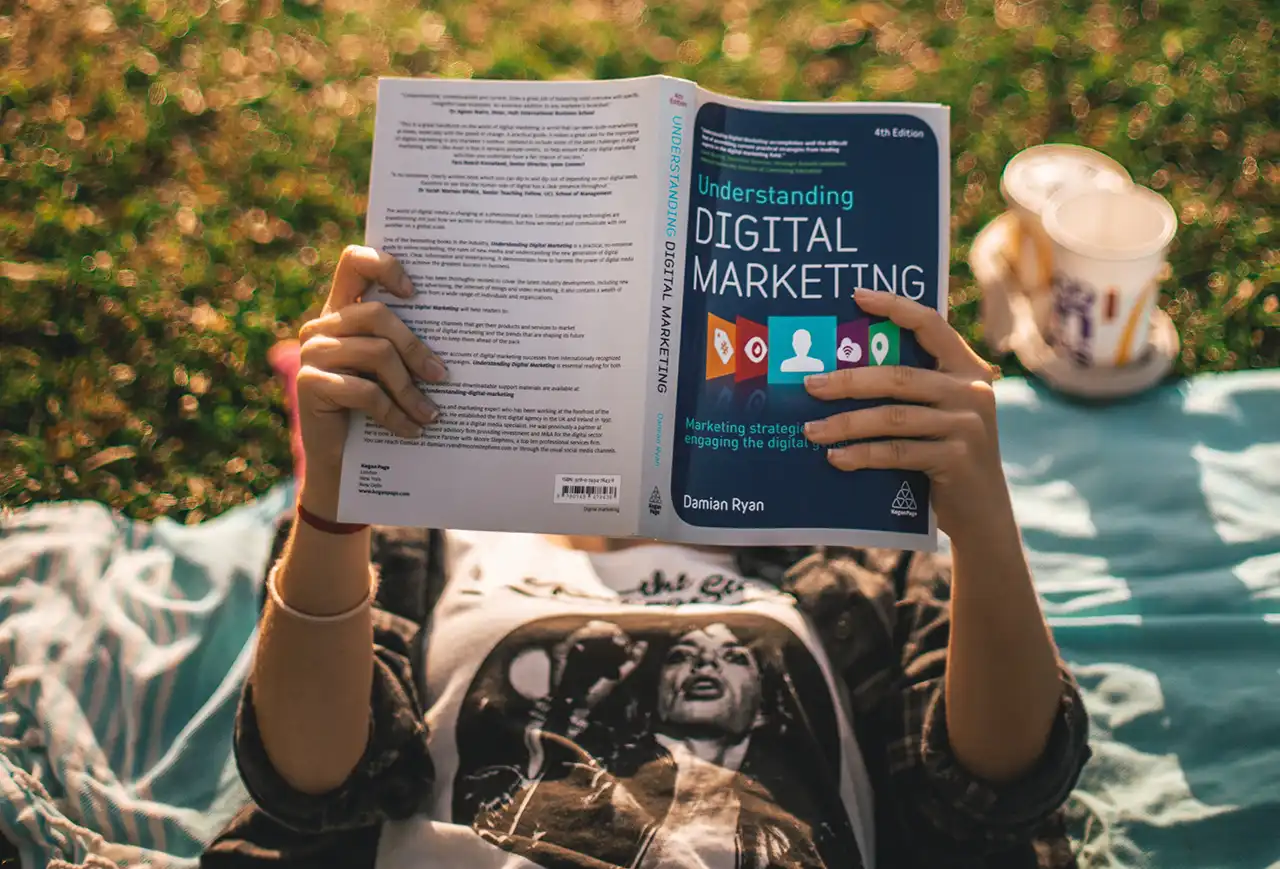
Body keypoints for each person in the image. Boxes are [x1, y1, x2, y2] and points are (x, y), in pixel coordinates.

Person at [202, 246, 1091, 869]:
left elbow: (997, 785)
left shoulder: (846, 547)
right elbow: (307, 779)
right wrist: (333, 500)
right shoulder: (418, 533)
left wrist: (983, 524)